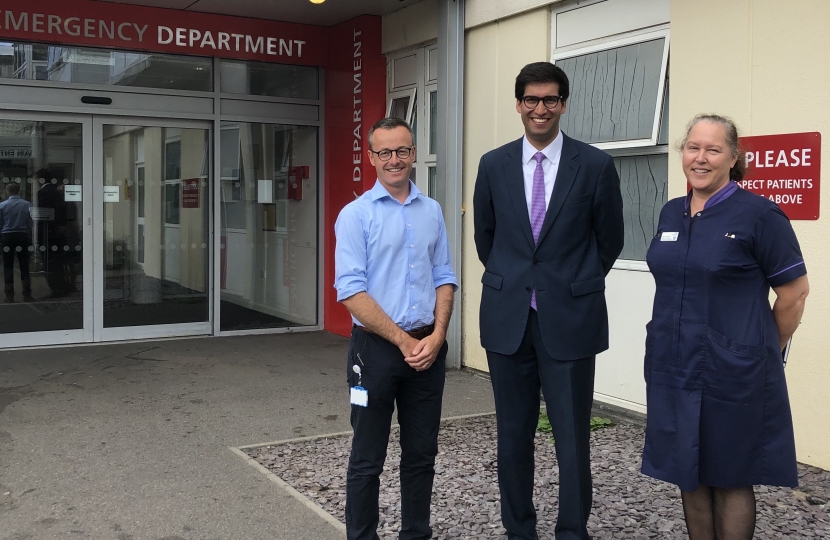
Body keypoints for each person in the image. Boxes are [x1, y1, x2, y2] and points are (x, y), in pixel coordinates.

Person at [473, 62, 624, 540]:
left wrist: (570, 283)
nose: (541, 109)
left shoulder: (595, 164)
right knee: (513, 436)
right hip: (508, 318)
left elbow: (610, 239)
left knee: (572, 438)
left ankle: (572, 531)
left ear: (563, 103)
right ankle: (520, 530)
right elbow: (487, 238)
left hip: (570, 317)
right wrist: (519, 281)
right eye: (532, 100)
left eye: (551, 100)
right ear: (518, 104)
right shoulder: (493, 164)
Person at [642, 114, 809, 539]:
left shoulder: (759, 215)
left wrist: (761, 348)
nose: (700, 158)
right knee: (689, 470)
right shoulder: (670, 213)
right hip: (673, 365)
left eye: (713, 149)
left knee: (731, 473)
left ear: (733, 158)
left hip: (733, 369)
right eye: (693, 147)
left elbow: (794, 293)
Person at [334, 117, 458, 540]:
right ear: (371, 158)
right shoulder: (355, 215)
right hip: (375, 353)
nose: (394, 160)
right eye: (384, 152)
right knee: (367, 458)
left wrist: (438, 336)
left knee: (421, 454)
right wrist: (407, 341)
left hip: (428, 349)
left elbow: (444, 274)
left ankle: (415, 534)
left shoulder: (432, 210)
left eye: (402, 150)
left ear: (414, 154)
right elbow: (350, 291)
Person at [0, 182, 34, 302]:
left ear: (8, 191)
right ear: (18, 191)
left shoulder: (2, 205)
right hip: (22, 235)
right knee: (24, 264)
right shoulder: (27, 204)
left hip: (7, 236)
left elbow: (0, 223)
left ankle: (9, 295)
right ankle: (27, 292)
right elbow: (30, 223)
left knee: (8, 264)